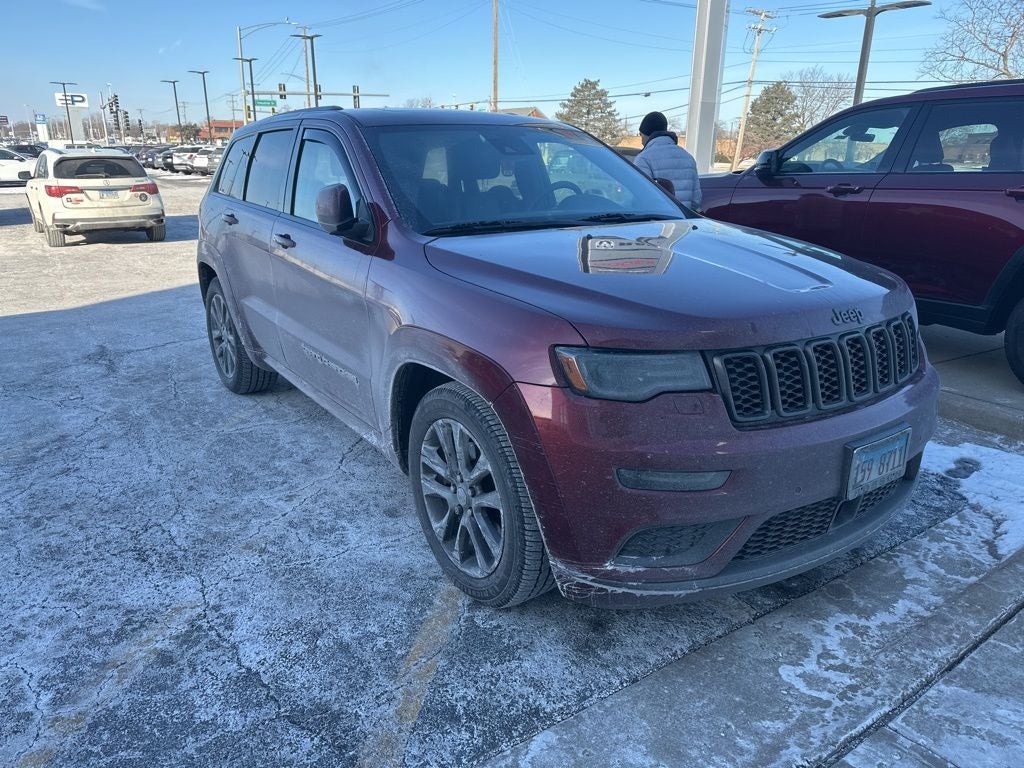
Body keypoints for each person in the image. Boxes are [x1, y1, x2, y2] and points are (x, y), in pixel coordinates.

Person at [633, 111, 701, 211]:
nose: (641, 140)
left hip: (656, 223)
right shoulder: (688, 157)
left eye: (640, 134)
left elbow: (640, 197)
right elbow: (696, 201)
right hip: (684, 222)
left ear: (646, 133)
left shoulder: (644, 159)